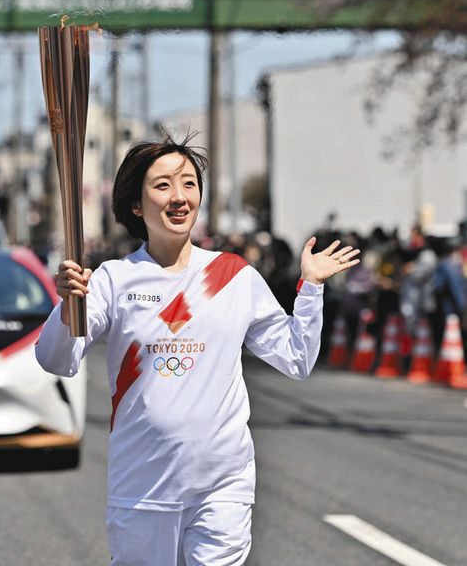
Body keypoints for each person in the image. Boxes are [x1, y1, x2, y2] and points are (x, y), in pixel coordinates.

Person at [35, 134, 360, 566]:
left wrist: (311, 288)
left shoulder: (233, 275)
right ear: (136, 204)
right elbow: (55, 359)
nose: (180, 197)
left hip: (222, 482)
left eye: (189, 184)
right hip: (143, 484)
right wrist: (67, 306)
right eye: (163, 185)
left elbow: (296, 358)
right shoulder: (114, 280)